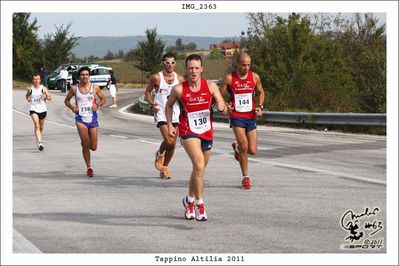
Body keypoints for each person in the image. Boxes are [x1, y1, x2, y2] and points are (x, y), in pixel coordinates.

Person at [165, 54, 228, 221]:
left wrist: (222, 107)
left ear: (202, 69)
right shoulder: (179, 89)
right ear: (186, 69)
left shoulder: (211, 86)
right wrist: (171, 125)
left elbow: (223, 107)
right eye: (190, 68)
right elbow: (169, 105)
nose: (193, 71)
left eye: (196, 68)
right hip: (188, 132)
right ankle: (200, 205)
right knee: (199, 165)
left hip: (206, 132)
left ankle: (189, 200)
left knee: (198, 169)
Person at [219, 52, 265, 190]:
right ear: (237, 64)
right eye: (244, 65)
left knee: (252, 150)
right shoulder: (229, 78)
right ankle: (245, 178)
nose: (246, 68)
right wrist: (227, 105)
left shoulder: (254, 77)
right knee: (244, 146)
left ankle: (237, 148)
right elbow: (219, 95)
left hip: (250, 116)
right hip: (237, 116)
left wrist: (260, 106)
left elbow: (261, 92)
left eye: (249, 65)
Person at [144, 53, 184, 179]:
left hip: (175, 113)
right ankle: (160, 154)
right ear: (163, 63)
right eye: (167, 62)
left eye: (172, 62)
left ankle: (164, 167)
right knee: (168, 140)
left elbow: (184, 96)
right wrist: (152, 104)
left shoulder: (180, 79)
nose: (170, 65)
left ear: (175, 64)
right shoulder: (156, 77)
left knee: (173, 144)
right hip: (161, 112)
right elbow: (147, 92)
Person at [64, 66, 106, 177]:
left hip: (92, 118)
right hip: (80, 119)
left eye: (87, 75)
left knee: (93, 147)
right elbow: (66, 101)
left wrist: (97, 105)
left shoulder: (95, 87)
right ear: (79, 77)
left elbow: (103, 99)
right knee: (86, 144)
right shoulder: (74, 88)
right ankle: (89, 167)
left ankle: (84, 143)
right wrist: (72, 108)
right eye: (83, 75)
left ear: (89, 76)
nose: (85, 77)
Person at [26, 73, 52, 151]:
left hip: (43, 110)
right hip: (33, 109)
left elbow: (50, 98)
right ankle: (40, 143)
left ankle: (38, 139)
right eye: (35, 79)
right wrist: (28, 98)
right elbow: (27, 97)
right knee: (37, 125)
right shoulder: (31, 89)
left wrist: (46, 96)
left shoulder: (43, 88)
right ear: (33, 80)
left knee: (41, 127)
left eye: (37, 79)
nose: (36, 81)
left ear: (40, 80)